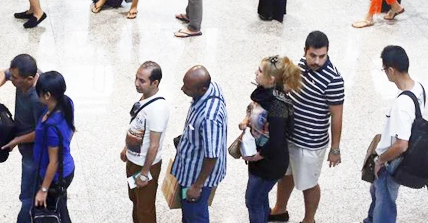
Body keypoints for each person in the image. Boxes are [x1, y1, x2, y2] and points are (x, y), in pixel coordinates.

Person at [269, 31, 345, 223]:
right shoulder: (301, 65)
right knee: (285, 175)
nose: (317, 61)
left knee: (308, 184)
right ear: (305, 51)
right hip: (289, 136)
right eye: (313, 55)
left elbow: (337, 115)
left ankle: (309, 219)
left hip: (311, 143)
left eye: (322, 56)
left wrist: (335, 148)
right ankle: (279, 209)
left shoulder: (333, 79)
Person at [362, 45, 426, 223]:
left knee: (385, 201)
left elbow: (401, 144)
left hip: (391, 162)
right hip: (398, 157)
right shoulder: (418, 88)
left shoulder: (402, 104)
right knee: (377, 192)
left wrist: (380, 160)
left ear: (391, 70)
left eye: (384, 69)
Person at [240, 55, 301, 223]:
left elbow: (276, 142)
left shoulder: (277, 106)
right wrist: (246, 120)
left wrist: (256, 157)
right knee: (260, 197)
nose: (255, 72)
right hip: (258, 156)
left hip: (269, 162)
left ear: (271, 79)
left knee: (252, 201)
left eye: (260, 70)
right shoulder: (263, 93)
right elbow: (253, 107)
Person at [0, 54, 46, 223]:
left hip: (35, 153)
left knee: (28, 196)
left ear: (29, 79)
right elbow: (3, 74)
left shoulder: (39, 99)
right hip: (25, 145)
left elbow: (41, 132)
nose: (11, 79)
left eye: (15, 78)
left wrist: (16, 141)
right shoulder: (25, 77)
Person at [172, 66, 227, 222]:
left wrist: (197, 186)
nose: (182, 89)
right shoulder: (211, 87)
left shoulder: (210, 118)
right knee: (188, 211)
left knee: (195, 213)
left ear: (202, 89)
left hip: (197, 177)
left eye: (187, 88)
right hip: (190, 167)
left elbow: (211, 156)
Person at [121, 61, 169, 223]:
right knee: (135, 200)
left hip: (145, 166)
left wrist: (144, 173)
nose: (136, 83)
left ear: (155, 83)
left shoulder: (158, 109)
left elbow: (154, 145)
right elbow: (137, 127)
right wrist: (126, 149)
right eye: (136, 78)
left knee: (145, 209)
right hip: (133, 160)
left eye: (142, 81)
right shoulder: (144, 98)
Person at [33, 71, 75, 223]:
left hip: (55, 177)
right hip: (66, 168)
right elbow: (70, 131)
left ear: (47, 95)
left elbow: (54, 161)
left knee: (54, 214)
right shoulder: (66, 102)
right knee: (60, 206)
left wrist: (43, 190)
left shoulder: (52, 126)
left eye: (39, 92)